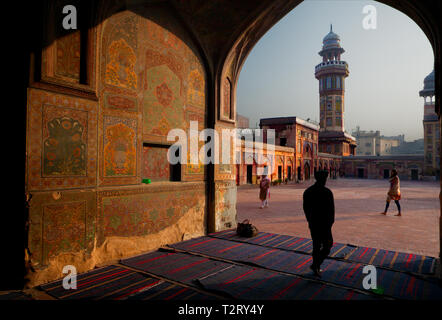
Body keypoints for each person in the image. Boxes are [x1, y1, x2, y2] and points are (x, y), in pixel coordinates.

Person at [303, 170, 334, 277]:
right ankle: (316, 265)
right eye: (324, 179)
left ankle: (316, 265)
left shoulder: (308, 191)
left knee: (317, 245)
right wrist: (330, 223)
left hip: (315, 223)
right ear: (322, 179)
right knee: (327, 245)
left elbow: (305, 209)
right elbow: (331, 210)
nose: (325, 181)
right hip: (324, 224)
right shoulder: (327, 192)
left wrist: (310, 220)